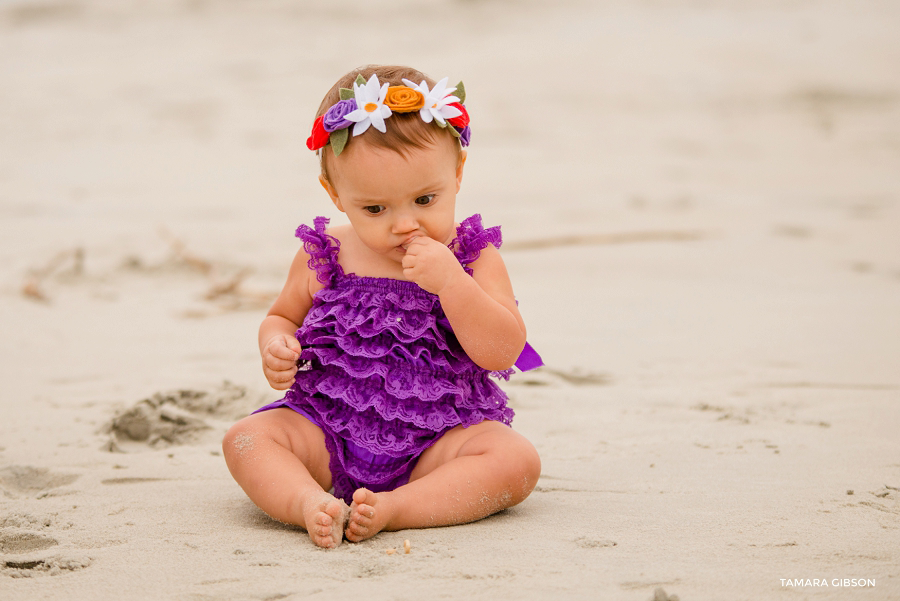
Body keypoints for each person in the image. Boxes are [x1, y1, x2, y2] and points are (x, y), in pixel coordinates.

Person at [223, 64, 543, 549]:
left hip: (437, 439)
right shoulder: (325, 254)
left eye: (425, 199)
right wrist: (276, 345)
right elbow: (281, 315)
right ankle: (308, 501)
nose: (404, 224)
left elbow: (502, 351)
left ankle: (401, 508)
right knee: (247, 440)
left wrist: (452, 284)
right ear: (336, 195)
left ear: (457, 175)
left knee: (515, 461)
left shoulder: (472, 258)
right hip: (327, 427)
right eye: (375, 209)